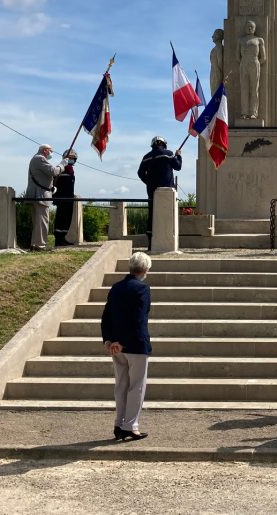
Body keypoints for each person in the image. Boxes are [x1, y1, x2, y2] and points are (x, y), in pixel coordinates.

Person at [101, 251, 152, 441]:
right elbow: (139, 319)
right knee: (136, 386)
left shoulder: (116, 287)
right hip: (135, 344)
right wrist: (123, 341)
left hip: (116, 345)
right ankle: (131, 425)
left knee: (121, 385)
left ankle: (118, 423)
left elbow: (106, 315)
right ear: (145, 269)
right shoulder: (142, 289)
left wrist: (109, 340)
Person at [137, 136, 182, 249]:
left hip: (152, 191)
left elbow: (140, 173)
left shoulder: (146, 157)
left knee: (152, 215)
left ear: (153, 145)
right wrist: (178, 156)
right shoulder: (168, 153)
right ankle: (168, 242)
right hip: (167, 191)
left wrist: (149, 182)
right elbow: (178, 166)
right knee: (168, 215)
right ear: (164, 144)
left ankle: (151, 243)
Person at [23, 143, 67, 251]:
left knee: (38, 222)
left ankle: (35, 245)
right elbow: (54, 171)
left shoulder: (36, 159)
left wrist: (51, 188)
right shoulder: (39, 158)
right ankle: (40, 246)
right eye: (50, 151)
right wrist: (63, 164)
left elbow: (44, 176)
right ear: (45, 150)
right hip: (40, 196)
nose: (51, 153)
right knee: (42, 222)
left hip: (38, 194)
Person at [237, 20, 266, 119]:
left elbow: (263, 57)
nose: (250, 28)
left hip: (255, 63)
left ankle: (254, 112)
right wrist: (245, 62)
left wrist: (256, 63)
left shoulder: (259, 40)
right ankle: (244, 112)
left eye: (251, 27)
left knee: (254, 89)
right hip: (244, 64)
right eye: (248, 26)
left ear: (254, 28)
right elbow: (238, 57)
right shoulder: (241, 40)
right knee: (244, 89)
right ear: (245, 28)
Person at [52, 149, 78, 247]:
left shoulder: (70, 169)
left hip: (69, 198)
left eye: (73, 158)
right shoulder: (61, 168)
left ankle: (63, 238)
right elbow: (55, 183)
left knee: (67, 219)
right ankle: (59, 239)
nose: (71, 160)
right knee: (61, 219)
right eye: (69, 158)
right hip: (62, 198)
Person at [209, 28, 225, 96]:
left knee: (215, 92)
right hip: (213, 71)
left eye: (214, 34)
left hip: (217, 72)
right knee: (213, 91)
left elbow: (220, 61)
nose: (212, 36)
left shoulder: (219, 47)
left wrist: (221, 73)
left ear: (218, 36)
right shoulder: (214, 48)